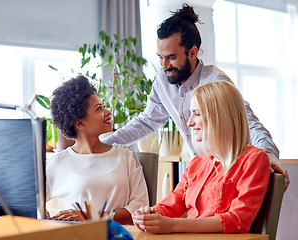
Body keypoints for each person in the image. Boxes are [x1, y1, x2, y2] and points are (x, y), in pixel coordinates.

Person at [103, 3, 289, 187]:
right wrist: (103, 144)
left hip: (230, 175)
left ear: (192, 53)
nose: (164, 66)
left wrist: (269, 157)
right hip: (200, 172)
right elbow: (146, 121)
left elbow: (251, 125)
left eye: (171, 57)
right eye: (160, 57)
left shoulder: (215, 81)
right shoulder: (162, 79)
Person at [132, 80, 270, 233]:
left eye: (197, 114)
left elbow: (238, 219)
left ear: (220, 117)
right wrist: (149, 215)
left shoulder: (254, 159)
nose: (190, 122)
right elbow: (172, 205)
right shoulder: (197, 163)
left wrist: (172, 225)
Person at [45, 75, 149, 224]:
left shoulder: (125, 155)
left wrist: (95, 216)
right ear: (80, 123)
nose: (108, 112)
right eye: (99, 109)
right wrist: (41, 212)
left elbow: (140, 206)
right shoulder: (58, 164)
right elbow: (28, 201)